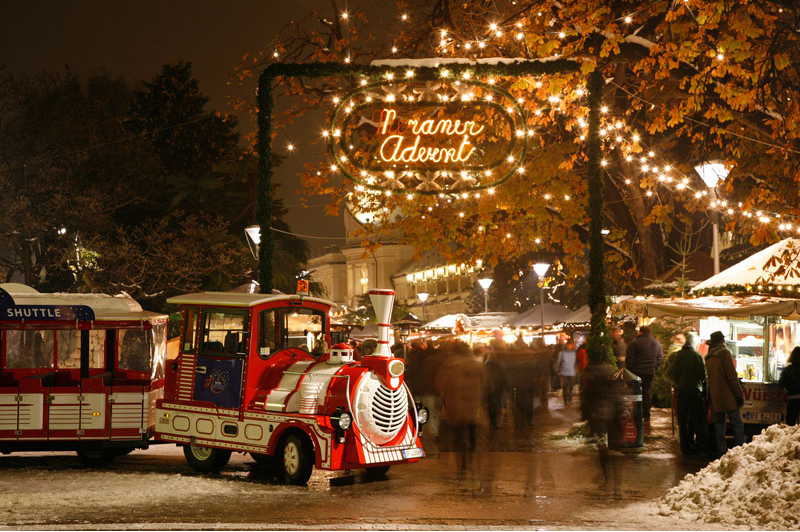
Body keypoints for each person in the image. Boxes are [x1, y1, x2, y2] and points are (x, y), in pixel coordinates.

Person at [666, 332, 708, 454]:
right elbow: (702, 374)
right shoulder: (696, 356)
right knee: (697, 420)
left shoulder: (678, 355)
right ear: (694, 343)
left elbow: (670, 374)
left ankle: (685, 447)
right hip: (694, 392)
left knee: (682, 420)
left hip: (681, 393)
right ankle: (701, 446)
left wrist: (678, 383)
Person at [705, 331, 745, 456]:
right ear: (722, 340)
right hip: (729, 396)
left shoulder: (709, 357)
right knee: (736, 423)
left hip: (716, 396)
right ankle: (740, 450)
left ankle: (721, 450)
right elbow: (732, 377)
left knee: (719, 425)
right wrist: (739, 395)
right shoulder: (724, 354)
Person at [625, 325, 663, 422]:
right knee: (647, 393)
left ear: (640, 332)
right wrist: (655, 368)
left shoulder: (634, 343)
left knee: (635, 392)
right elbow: (660, 359)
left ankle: (636, 414)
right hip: (650, 372)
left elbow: (629, 359)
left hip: (636, 372)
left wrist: (630, 370)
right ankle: (646, 415)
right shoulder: (657, 343)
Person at [778, 346, 800, 426]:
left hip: (792, 399)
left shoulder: (787, 370)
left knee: (790, 424)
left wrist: (787, 391)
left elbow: (781, 385)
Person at [556, 340, 578, 406]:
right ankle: (566, 401)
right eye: (570, 345)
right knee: (565, 388)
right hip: (564, 373)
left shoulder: (575, 353)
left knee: (571, 388)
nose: (571, 346)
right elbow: (558, 363)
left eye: (572, 345)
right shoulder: (561, 353)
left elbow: (576, 363)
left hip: (572, 373)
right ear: (566, 345)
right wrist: (558, 370)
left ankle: (570, 400)